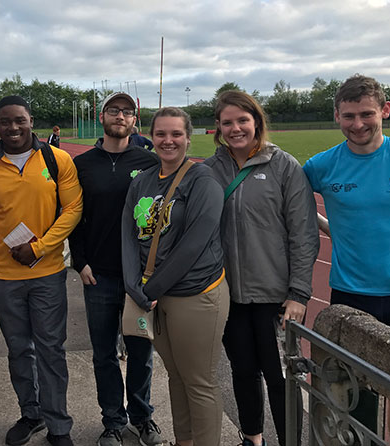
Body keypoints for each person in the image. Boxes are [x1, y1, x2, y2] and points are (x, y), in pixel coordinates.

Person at [303, 74, 390, 444]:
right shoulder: (321, 166)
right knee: (354, 395)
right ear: (336, 116)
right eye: (348, 116)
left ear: (384, 111)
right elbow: (287, 203)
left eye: (366, 114)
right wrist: (331, 228)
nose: (357, 124)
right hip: (350, 296)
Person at [204, 91, 319, 446]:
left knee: (280, 378)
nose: (236, 128)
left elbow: (303, 233)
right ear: (219, 128)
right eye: (228, 122)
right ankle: (252, 439)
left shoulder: (284, 167)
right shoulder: (209, 171)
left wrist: (298, 293)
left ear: (256, 122)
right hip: (228, 295)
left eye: (243, 120)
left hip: (275, 296)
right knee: (242, 372)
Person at [0, 95, 83, 446]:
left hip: (47, 272)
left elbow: (73, 210)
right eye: (5, 122)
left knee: (51, 350)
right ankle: (31, 413)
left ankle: (58, 426)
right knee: (19, 350)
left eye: (19, 120)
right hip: (5, 278)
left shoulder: (56, 159)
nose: (13, 127)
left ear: (31, 121)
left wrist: (39, 247)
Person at [122, 107, 228, 446]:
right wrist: (131, 284)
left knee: (199, 381)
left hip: (195, 294)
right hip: (154, 297)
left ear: (188, 137)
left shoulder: (202, 180)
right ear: (151, 137)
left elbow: (194, 244)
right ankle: (184, 440)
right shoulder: (143, 180)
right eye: (161, 134)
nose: (168, 141)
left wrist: (148, 288)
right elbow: (127, 234)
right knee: (177, 377)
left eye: (176, 134)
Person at [69, 92, 162, 446]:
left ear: (134, 120)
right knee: (104, 353)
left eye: (127, 111)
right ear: (102, 116)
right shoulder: (83, 163)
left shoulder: (150, 162)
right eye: (114, 110)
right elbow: (73, 216)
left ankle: (142, 417)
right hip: (99, 274)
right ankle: (112, 420)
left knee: (141, 351)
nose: (120, 116)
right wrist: (80, 261)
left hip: (138, 277)